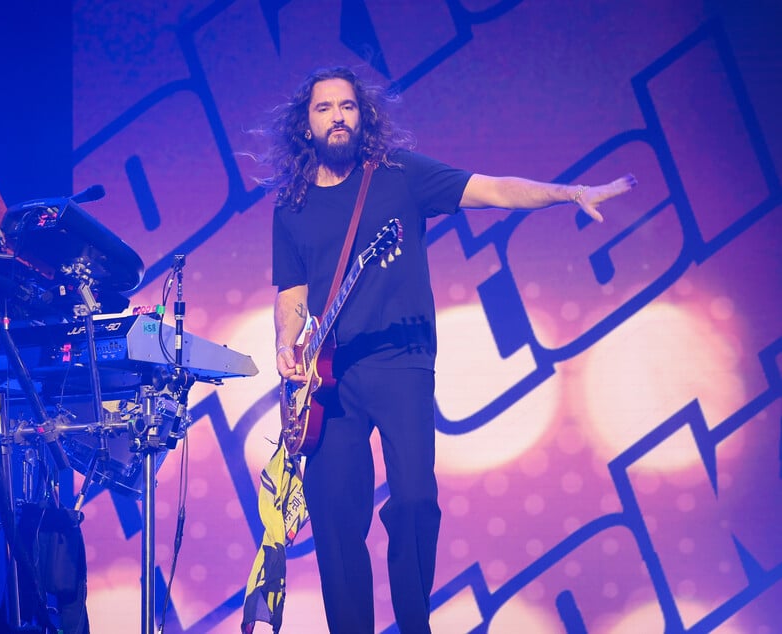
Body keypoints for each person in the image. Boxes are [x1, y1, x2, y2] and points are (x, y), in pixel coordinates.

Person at [263, 66, 636, 633]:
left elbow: (494, 189)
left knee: (414, 501)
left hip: (402, 364)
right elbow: (292, 298)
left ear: (361, 115)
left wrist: (570, 194)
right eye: (324, 108)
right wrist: (286, 347)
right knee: (336, 521)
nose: (337, 116)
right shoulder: (290, 208)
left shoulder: (398, 176)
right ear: (305, 123)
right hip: (329, 379)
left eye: (346, 106)